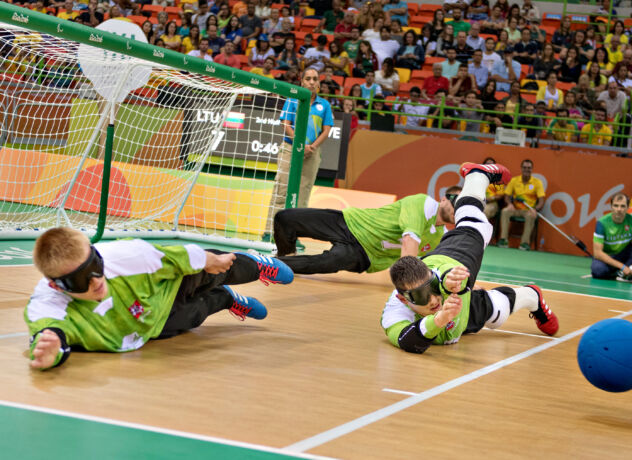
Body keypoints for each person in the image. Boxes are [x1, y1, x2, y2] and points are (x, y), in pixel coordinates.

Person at [24, 227, 294, 370]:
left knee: (214, 271)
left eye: (96, 266)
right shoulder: (47, 305)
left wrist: (213, 261)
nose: (96, 281)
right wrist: (52, 352)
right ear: (56, 285)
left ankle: (257, 264)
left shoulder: (126, 255)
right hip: (151, 325)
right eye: (81, 279)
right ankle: (227, 300)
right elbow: (49, 336)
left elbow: (178, 255)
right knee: (200, 311)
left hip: (166, 283)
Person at [382, 162, 558, 355]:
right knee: (498, 313)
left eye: (432, 286)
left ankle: (478, 176)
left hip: (452, 277)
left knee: (473, 225)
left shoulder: (442, 274)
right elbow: (408, 342)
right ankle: (533, 296)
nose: (433, 299)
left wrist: (449, 283)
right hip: (457, 314)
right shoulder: (394, 311)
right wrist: (441, 318)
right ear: (403, 298)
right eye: (422, 296)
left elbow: (459, 276)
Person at [273, 189, 458, 274]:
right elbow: (410, 244)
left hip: (365, 254)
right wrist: (406, 284)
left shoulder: (437, 240)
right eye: (454, 202)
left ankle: (273, 265)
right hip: (350, 222)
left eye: (461, 207)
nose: (456, 209)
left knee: (324, 262)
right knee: (285, 218)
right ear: (443, 199)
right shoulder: (422, 203)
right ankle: (286, 254)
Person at [265, 68, 333, 235]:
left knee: (302, 195)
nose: (311, 82)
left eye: (315, 79)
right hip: (290, 149)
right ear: (302, 82)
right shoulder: (293, 99)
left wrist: (312, 147)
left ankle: (294, 236)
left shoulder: (324, 105)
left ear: (318, 83)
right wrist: (300, 144)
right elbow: (285, 124)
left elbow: (326, 130)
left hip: (312, 153)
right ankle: (270, 232)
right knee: (281, 190)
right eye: (308, 79)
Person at [497, 158, 545, 250]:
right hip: (515, 209)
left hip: (528, 210)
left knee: (531, 215)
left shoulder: (537, 183)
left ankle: (524, 243)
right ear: (521, 168)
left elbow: (541, 200)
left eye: (529, 168)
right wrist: (509, 204)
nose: (527, 169)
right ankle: (503, 240)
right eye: (524, 167)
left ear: (532, 169)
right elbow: (507, 196)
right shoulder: (514, 180)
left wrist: (535, 209)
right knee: (505, 211)